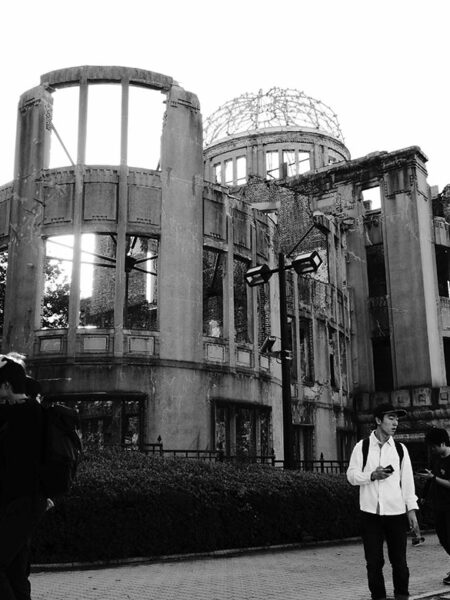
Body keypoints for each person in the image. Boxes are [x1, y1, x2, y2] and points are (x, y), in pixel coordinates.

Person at [347, 402, 419, 600]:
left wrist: (411, 510)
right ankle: (378, 597)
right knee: (374, 562)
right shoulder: (362, 447)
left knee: (400, 562)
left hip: (396, 513)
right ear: (378, 420)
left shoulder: (400, 449)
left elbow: (407, 483)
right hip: (370, 513)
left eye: (397, 419)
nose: (395, 423)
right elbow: (351, 476)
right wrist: (371, 475)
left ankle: (402, 595)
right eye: (391, 418)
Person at [0, 355, 47, 600]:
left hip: (23, 503)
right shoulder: (31, 412)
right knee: (16, 572)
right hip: (22, 502)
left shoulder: (24, 414)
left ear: (7, 386)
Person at [417, 428, 450, 585]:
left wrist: (434, 478)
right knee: (443, 538)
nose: (432, 450)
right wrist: (423, 497)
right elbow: (432, 479)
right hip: (439, 506)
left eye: (434, 446)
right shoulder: (436, 460)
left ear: (443, 443)